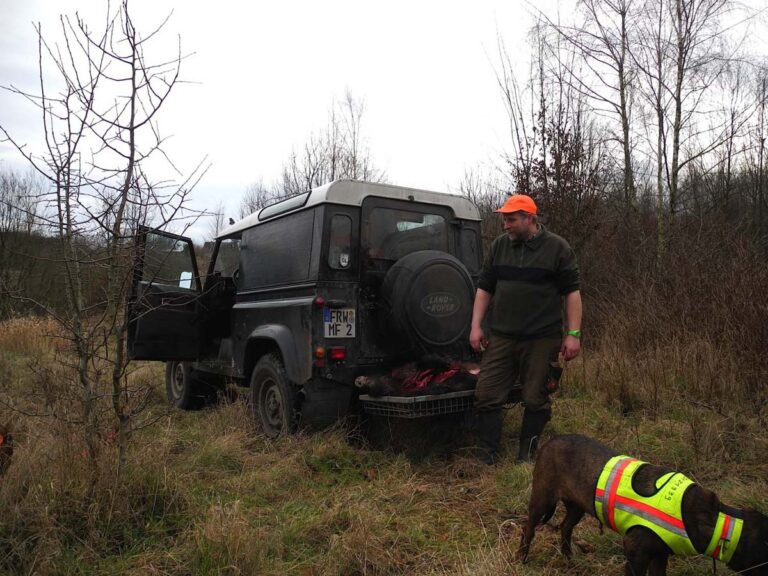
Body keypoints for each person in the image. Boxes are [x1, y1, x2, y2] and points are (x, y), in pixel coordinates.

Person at [469, 194, 581, 464]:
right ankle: (487, 454)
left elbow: (572, 294)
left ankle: (527, 456)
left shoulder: (557, 248)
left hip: (542, 338)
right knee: (486, 394)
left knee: (535, 398)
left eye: (511, 220)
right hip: (503, 336)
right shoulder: (499, 247)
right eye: (504, 219)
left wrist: (573, 334)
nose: (505, 225)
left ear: (529, 219)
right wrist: (476, 326)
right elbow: (485, 288)